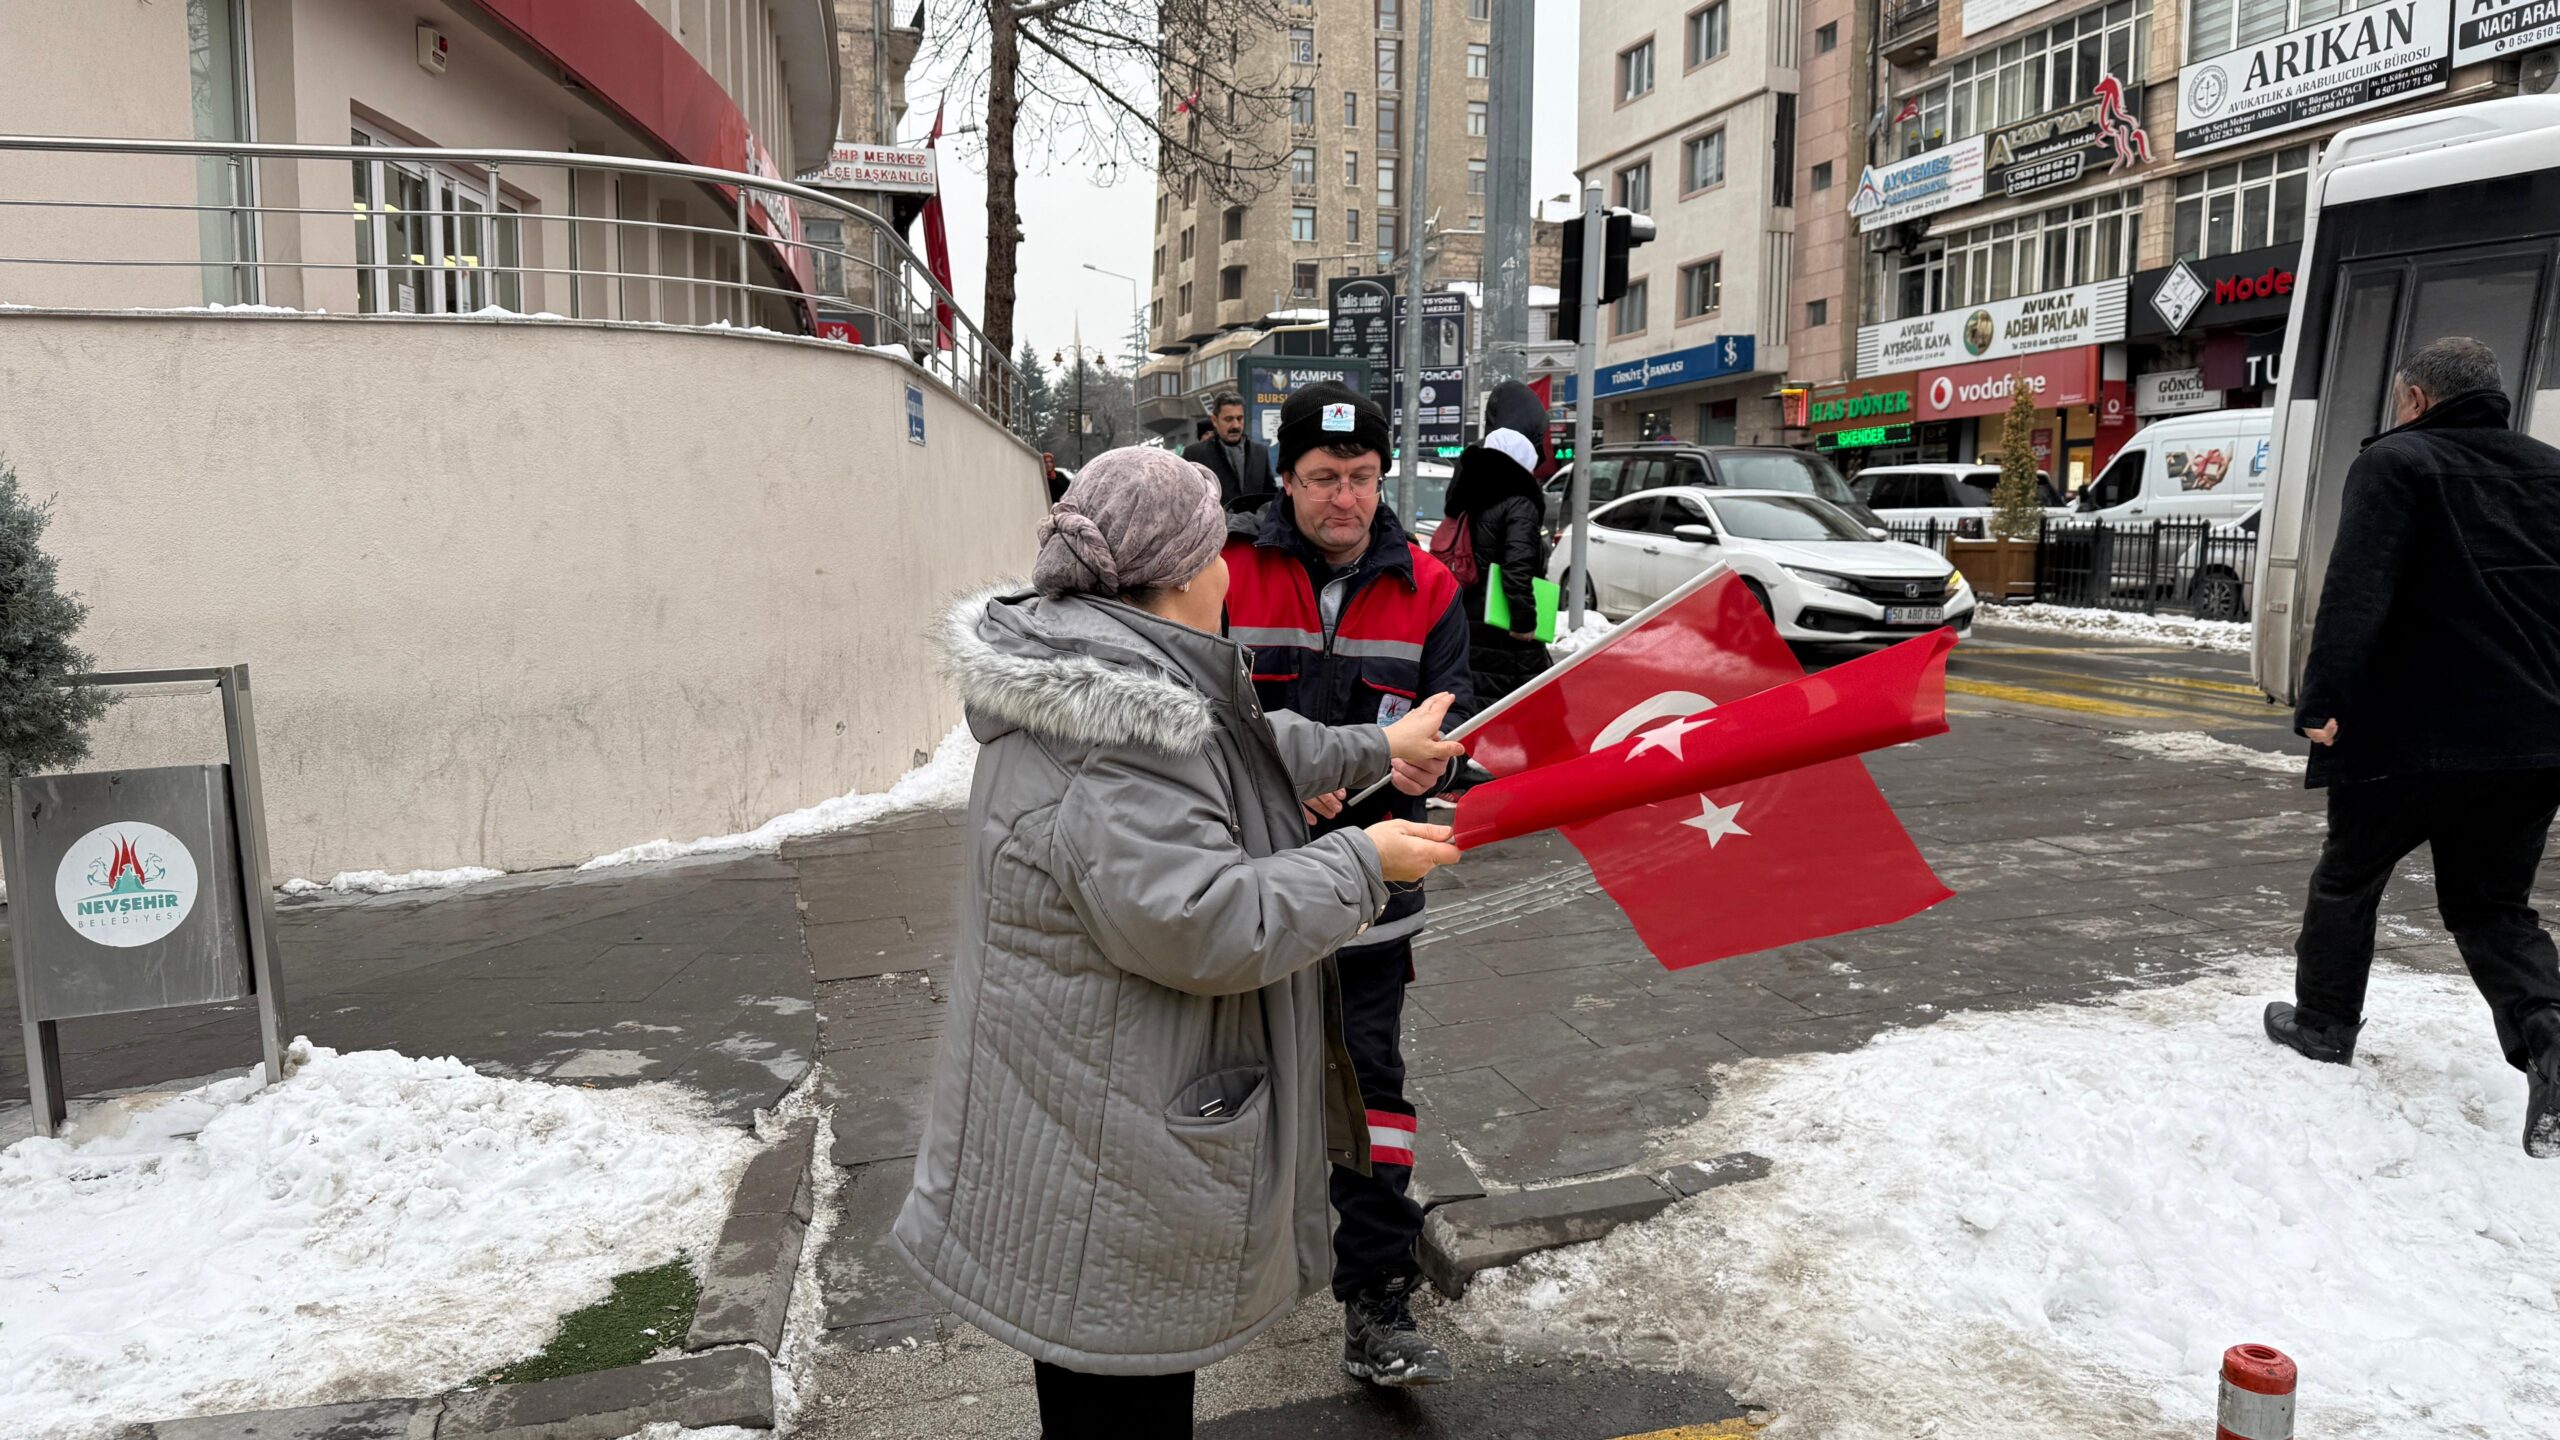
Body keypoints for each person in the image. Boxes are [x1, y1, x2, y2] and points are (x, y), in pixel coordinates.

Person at [893, 446, 1468, 1439]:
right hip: (1109, 1151)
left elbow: (1241, 740)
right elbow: (1206, 923)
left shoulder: (1107, 673)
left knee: (1106, 1393)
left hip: (1081, 1114)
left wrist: (1379, 747)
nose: (1227, 573)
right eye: (1214, 555)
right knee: (1121, 1405)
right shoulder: (1124, 736)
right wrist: (1361, 864)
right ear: (1169, 577)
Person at [1220, 382, 1475, 1386]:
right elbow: (1183, 717)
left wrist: (1431, 765)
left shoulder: (1429, 588)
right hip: (1238, 887)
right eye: (1323, 478)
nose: (1345, 497)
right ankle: (1195, 1297)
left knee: (1371, 1095)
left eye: (1362, 477)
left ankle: (1377, 1304)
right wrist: (1288, 773)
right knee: (1218, 1094)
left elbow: (1453, 719)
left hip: (1372, 892)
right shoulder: (1224, 569)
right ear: (1285, 478)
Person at [2264, 336, 2560, 1156]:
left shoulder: (2399, 463)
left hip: (2408, 730)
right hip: (2531, 735)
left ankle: (2324, 1025)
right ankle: (2552, 1037)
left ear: (2418, 398)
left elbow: (2359, 588)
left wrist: (2323, 702)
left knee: (2350, 876)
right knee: (2492, 904)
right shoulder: (2551, 469)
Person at [1442, 380, 1557, 704]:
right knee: (1539, 715)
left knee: (1475, 706)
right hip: (1506, 627)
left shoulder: (1469, 478)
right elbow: (1517, 566)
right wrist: (1524, 622)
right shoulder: (1520, 496)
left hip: (1468, 617)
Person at [1184, 391, 1279, 513]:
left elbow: (1270, 495)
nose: (1236, 425)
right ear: (1214, 420)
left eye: (1239, 418)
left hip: (1254, 530)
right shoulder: (1195, 454)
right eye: (1228, 419)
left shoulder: (1260, 452)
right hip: (1217, 529)